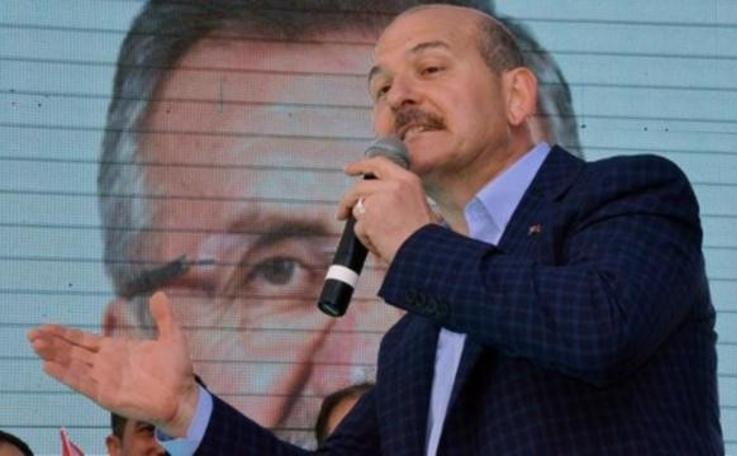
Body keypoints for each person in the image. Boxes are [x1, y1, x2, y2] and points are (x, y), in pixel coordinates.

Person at [31, 4, 700, 454]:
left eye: (430, 69)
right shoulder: (414, 340)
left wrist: (414, 244)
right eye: (380, 89)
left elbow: (599, 329)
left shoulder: (627, 194)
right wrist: (186, 410)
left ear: (515, 95)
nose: (398, 97)